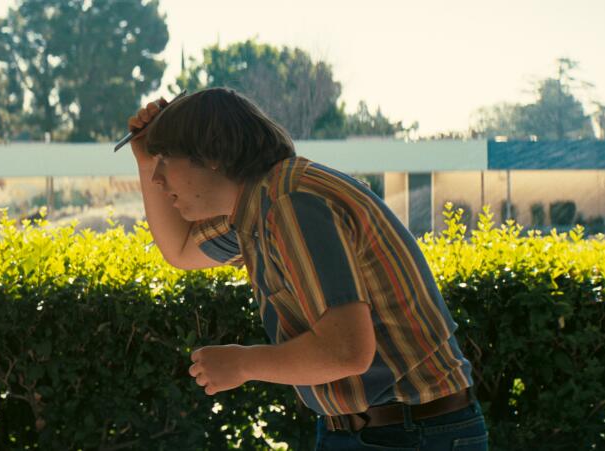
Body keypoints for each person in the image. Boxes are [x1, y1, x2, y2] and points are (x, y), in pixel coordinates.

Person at [127, 87, 488, 449]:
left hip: (408, 432)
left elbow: (346, 351)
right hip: (387, 428)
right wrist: (143, 161)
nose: (158, 178)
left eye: (165, 159)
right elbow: (181, 249)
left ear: (212, 155)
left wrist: (243, 364)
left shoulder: (291, 204)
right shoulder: (261, 207)